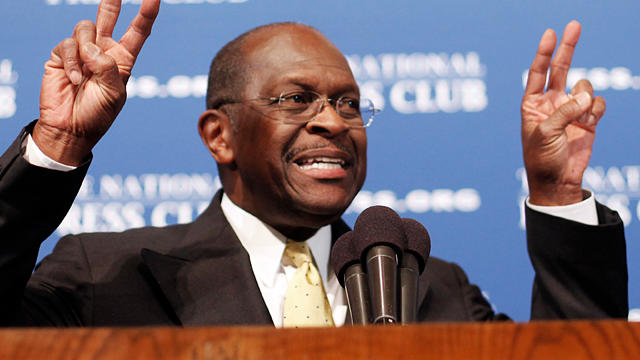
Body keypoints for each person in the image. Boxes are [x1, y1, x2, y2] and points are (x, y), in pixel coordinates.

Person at [0, 0, 627, 326]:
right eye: (297, 100)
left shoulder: (435, 288)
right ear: (219, 135)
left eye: (349, 104)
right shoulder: (106, 273)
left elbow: (577, 354)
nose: (333, 121)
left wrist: (557, 192)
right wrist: (58, 144)